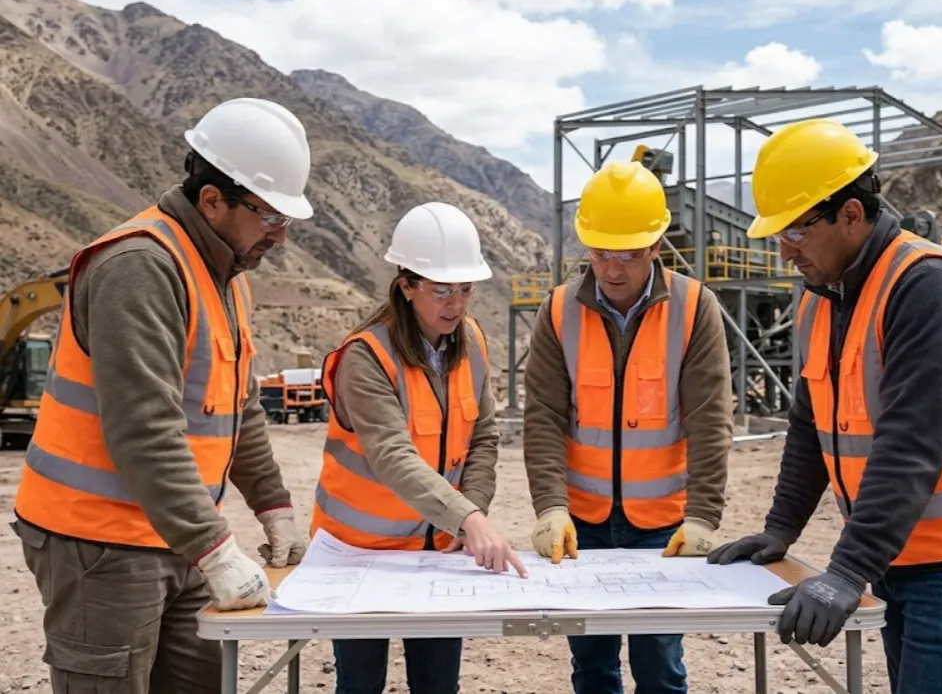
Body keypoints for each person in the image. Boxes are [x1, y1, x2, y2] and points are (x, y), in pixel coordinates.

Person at [9, 97, 312, 693]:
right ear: (212, 200)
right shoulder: (141, 266)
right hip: (100, 545)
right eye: (270, 217)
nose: (280, 236)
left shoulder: (225, 277)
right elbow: (144, 430)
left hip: (178, 537)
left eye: (286, 220)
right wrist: (217, 551)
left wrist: (272, 508)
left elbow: (237, 407)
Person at [708, 118, 942, 694]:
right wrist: (780, 529)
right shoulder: (824, 297)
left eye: (795, 232)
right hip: (896, 556)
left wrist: (846, 571)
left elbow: (911, 441)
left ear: (851, 214)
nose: (783, 250)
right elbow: (808, 425)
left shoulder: (928, 286)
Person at [523, 160, 734, 694]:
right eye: (601, 254)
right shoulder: (557, 310)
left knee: (660, 667)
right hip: (581, 524)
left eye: (629, 255)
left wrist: (704, 515)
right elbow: (544, 417)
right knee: (591, 666)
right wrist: (550, 505)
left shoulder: (694, 308)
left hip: (661, 526)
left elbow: (711, 418)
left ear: (657, 244)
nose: (613, 270)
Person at [311, 201, 526, 694]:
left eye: (465, 289)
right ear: (406, 286)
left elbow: (484, 439)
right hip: (360, 556)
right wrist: (470, 520)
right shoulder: (365, 357)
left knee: (438, 685)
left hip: (439, 550)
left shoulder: (470, 340)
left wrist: (468, 519)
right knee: (360, 685)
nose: (455, 304)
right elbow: (392, 455)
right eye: (441, 290)